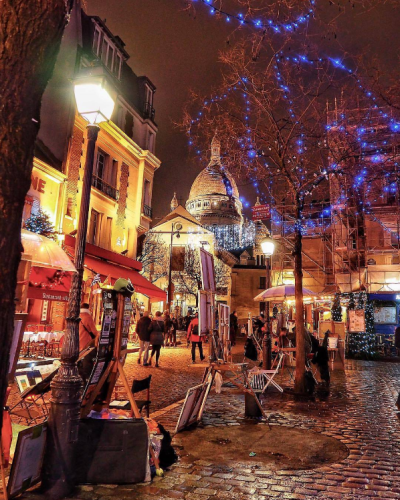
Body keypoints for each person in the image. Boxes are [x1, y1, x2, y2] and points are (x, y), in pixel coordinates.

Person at [78, 303, 99, 384]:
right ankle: (86, 379)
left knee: (78, 361)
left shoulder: (76, 316)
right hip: (85, 343)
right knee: (86, 361)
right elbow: (94, 331)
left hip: (76, 343)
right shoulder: (87, 317)